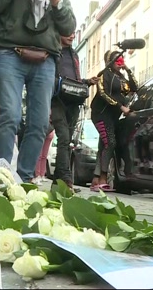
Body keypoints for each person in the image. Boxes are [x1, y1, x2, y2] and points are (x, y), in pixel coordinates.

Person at [0, 0, 77, 183]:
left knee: (40, 122)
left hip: (45, 61)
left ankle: (23, 180)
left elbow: (69, 28)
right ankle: (1, 179)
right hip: (10, 55)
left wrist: (56, 1)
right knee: (10, 116)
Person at [52, 32, 98, 188]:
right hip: (57, 100)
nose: (72, 36)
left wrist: (87, 82)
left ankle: (58, 182)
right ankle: (65, 179)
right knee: (64, 138)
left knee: (67, 141)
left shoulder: (74, 55)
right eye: (67, 33)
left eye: (73, 33)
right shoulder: (53, 51)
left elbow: (74, 79)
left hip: (74, 102)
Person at [90, 50, 138, 191]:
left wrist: (128, 70)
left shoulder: (122, 77)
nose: (120, 62)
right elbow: (103, 93)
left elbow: (134, 87)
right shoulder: (104, 74)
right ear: (110, 62)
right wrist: (121, 107)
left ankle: (95, 179)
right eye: (117, 60)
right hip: (101, 114)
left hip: (113, 116)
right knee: (110, 142)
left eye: (121, 59)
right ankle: (103, 178)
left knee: (103, 145)